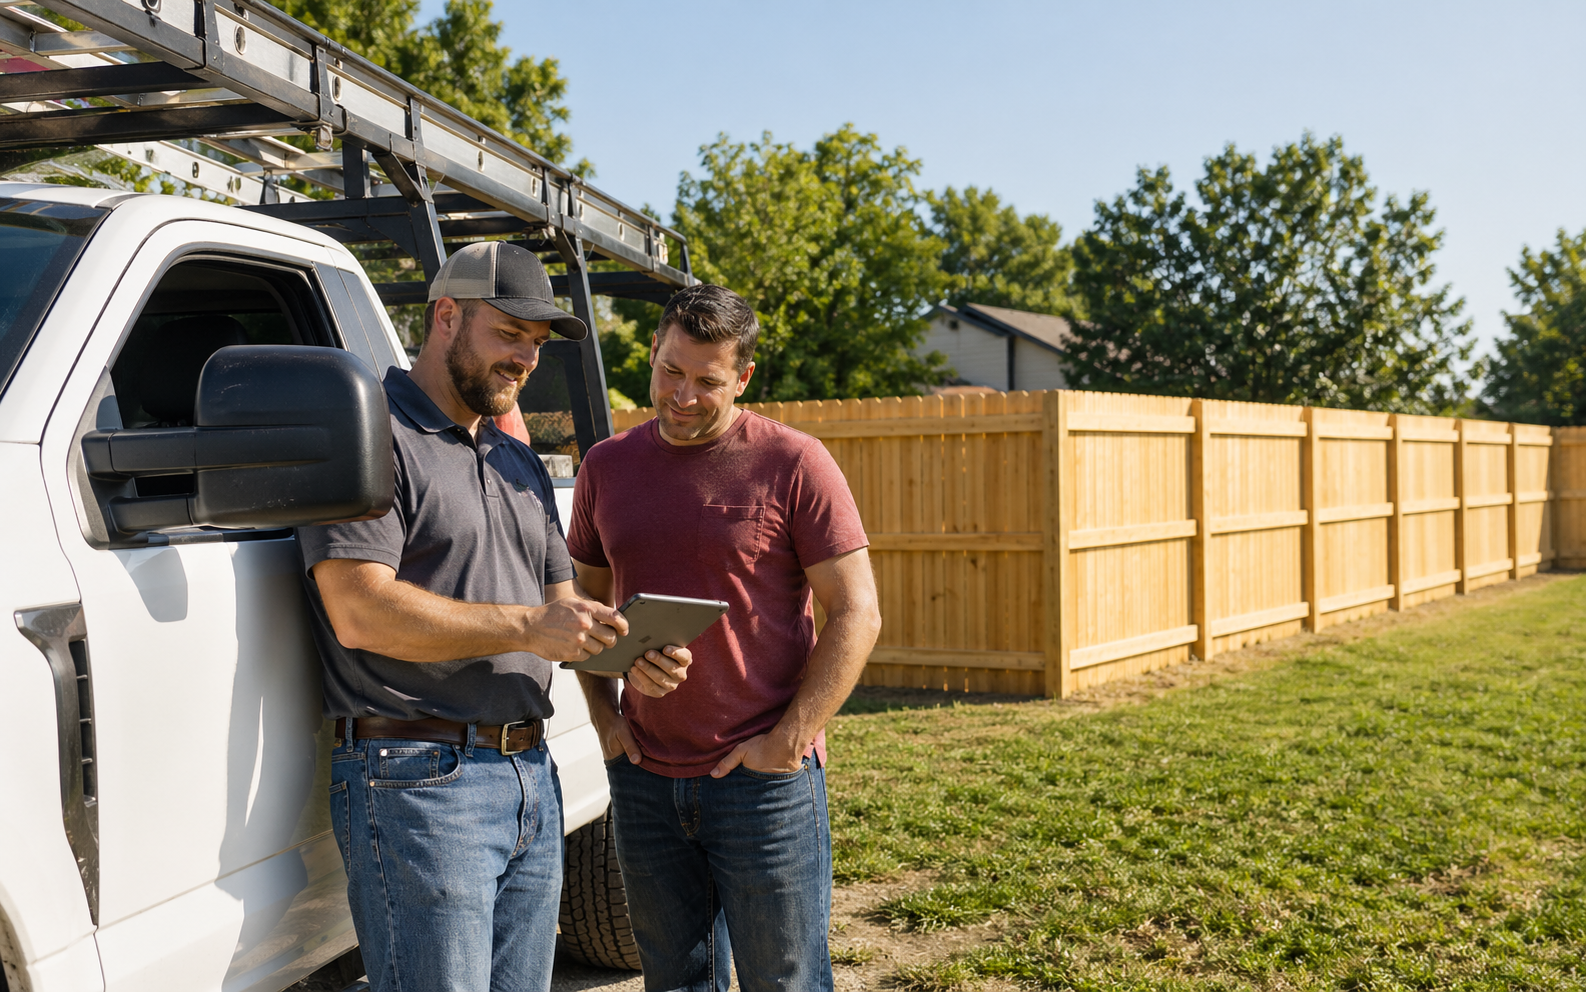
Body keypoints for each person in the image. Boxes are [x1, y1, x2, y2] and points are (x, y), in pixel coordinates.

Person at [295, 241, 693, 992]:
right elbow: (358, 610)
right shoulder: (372, 434)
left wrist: (626, 645)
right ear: (447, 315)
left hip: (528, 776)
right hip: (417, 783)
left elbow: (559, 606)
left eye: (537, 343)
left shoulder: (517, 461)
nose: (525, 358)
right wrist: (524, 629)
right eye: (509, 333)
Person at [566, 283, 883, 991]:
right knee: (674, 982)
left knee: (785, 980)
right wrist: (603, 713)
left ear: (742, 378)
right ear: (651, 352)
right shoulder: (606, 467)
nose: (681, 395)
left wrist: (789, 738)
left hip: (762, 782)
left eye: (706, 382)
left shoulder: (794, 464)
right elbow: (580, 602)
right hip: (645, 778)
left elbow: (857, 611)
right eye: (669, 371)